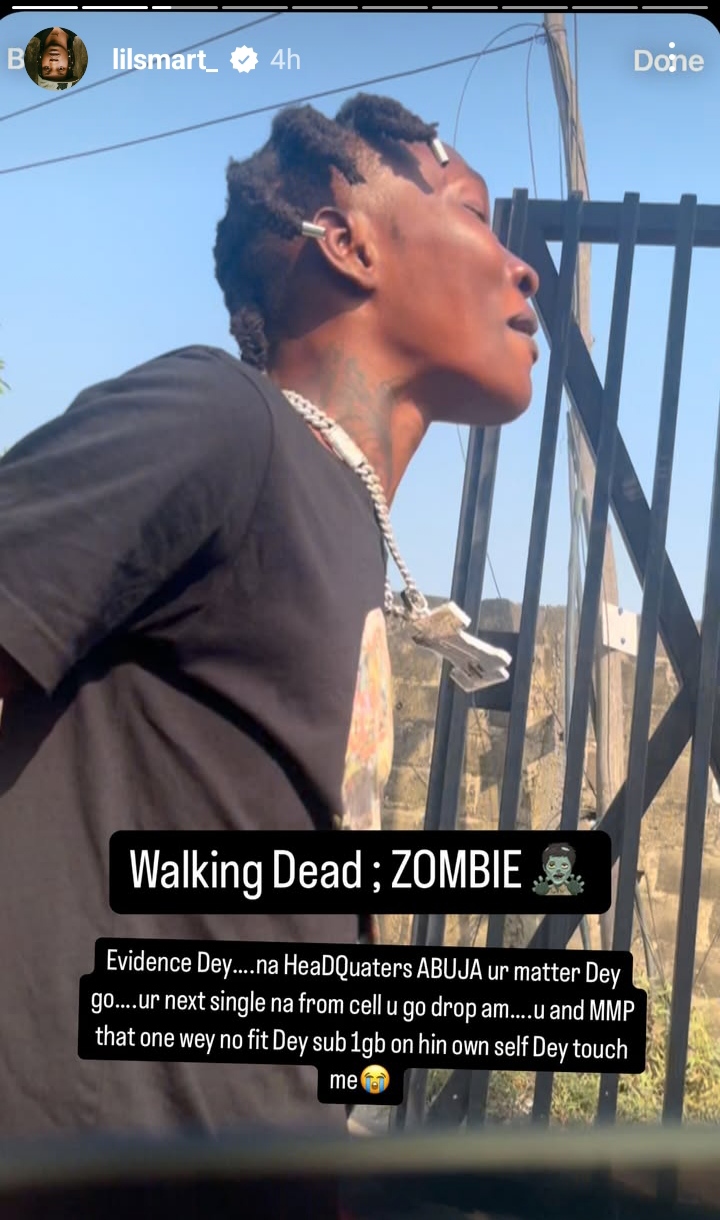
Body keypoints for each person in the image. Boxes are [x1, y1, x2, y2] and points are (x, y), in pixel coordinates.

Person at [0, 94, 539, 1150]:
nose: (523, 270)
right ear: (347, 242)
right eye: (475, 215)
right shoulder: (224, 422)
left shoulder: (340, 520)